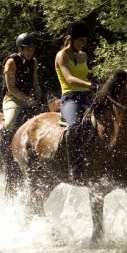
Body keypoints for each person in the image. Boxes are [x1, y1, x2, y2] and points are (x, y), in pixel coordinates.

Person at [55, 20, 98, 181]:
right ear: (71, 39)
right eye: (80, 40)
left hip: (87, 96)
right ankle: (74, 167)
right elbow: (70, 79)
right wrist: (90, 85)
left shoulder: (83, 56)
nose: (83, 44)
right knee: (74, 127)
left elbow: (85, 76)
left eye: (85, 41)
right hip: (70, 98)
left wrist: (97, 84)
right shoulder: (61, 55)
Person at [0, 33, 42, 167]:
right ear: (20, 49)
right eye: (27, 49)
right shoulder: (11, 62)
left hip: (29, 99)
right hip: (12, 99)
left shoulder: (33, 61)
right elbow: (11, 88)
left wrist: (39, 96)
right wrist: (27, 99)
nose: (30, 52)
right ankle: (0, 155)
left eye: (32, 49)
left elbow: (35, 82)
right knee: (10, 123)